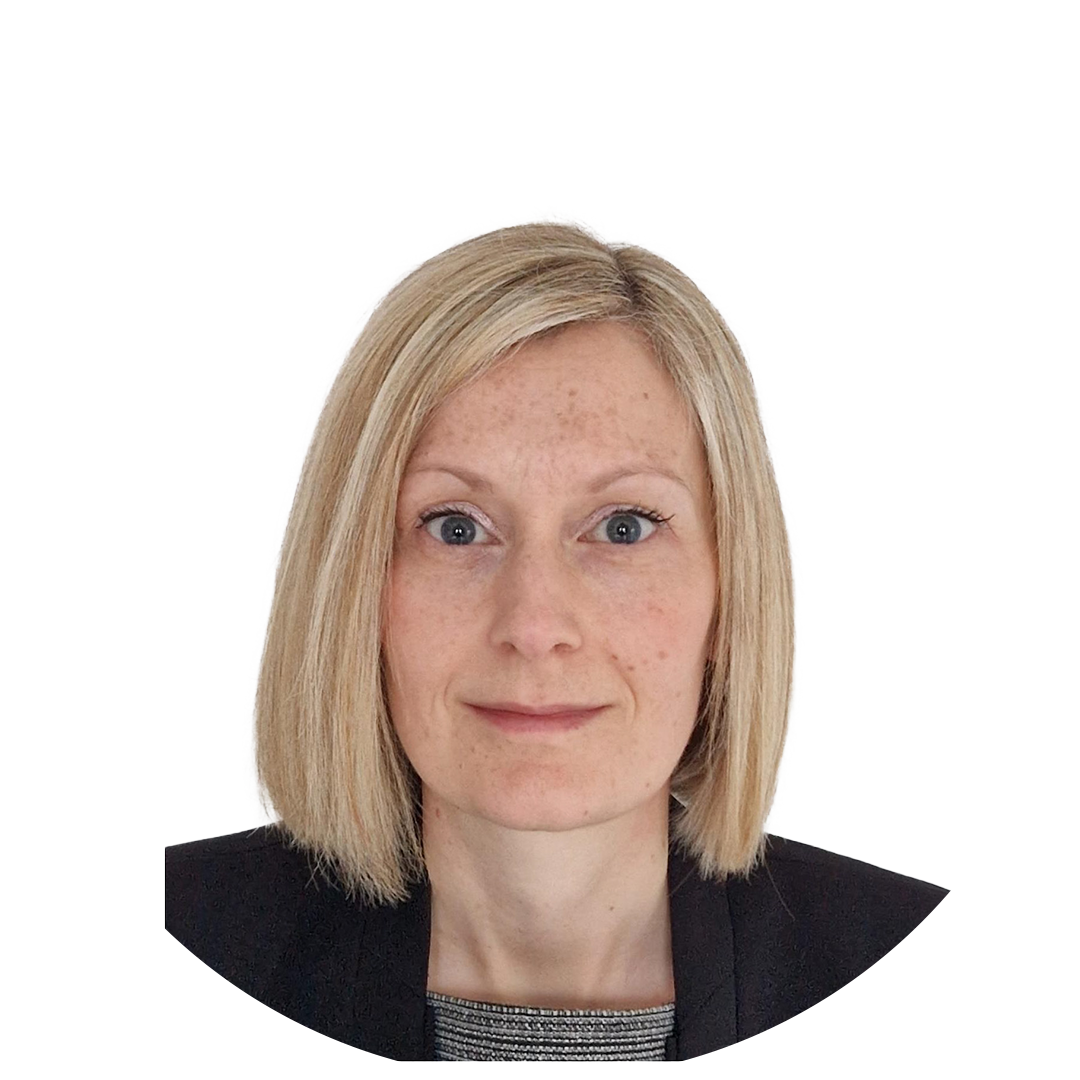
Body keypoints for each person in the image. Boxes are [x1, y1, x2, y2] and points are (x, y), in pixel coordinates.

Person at [164, 212, 948, 1062]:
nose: (535, 627)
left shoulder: (937, 981)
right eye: (455, 527)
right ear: (352, 590)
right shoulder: (159, 943)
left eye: (623, 527)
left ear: (730, 595)